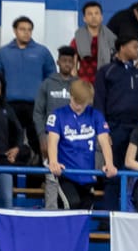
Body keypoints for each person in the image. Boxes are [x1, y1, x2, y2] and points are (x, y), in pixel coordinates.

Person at [45, 78, 117, 211]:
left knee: (86, 209)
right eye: (75, 101)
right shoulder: (58, 115)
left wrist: (109, 163)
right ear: (70, 96)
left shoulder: (96, 115)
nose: (78, 106)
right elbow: (52, 140)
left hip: (87, 175)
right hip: (66, 174)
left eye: (82, 103)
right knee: (71, 204)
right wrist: (53, 161)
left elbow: (104, 141)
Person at [93, 36, 138, 193]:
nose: (137, 50)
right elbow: (99, 102)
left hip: (137, 130)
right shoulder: (106, 71)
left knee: (135, 172)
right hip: (114, 128)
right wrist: (103, 131)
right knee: (112, 171)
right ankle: (109, 215)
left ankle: (130, 213)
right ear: (122, 47)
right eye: (134, 46)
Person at [0, 16, 56, 144]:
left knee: (38, 141)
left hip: (35, 106)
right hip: (10, 104)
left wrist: (46, 100)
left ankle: (41, 164)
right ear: (15, 30)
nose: (26, 32)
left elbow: (51, 77)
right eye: (22, 29)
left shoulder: (42, 52)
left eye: (29, 29)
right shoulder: (4, 52)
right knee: (11, 141)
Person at [31, 45, 81, 140]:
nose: (67, 64)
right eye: (64, 61)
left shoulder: (79, 85)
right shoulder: (47, 84)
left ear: (74, 63)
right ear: (58, 62)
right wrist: (42, 136)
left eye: (70, 61)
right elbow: (38, 113)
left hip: (74, 136)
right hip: (51, 135)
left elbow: (86, 111)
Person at [72, 0, 116, 86]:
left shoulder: (111, 38)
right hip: (84, 83)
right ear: (84, 18)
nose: (94, 16)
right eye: (90, 14)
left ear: (101, 17)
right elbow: (73, 65)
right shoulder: (78, 38)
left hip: (106, 81)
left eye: (96, 13)